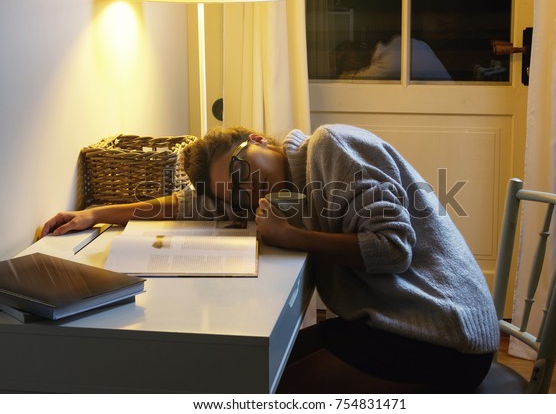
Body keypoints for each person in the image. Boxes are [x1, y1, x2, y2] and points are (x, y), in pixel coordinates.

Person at [41, 124, 499, 392]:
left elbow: (393, 249)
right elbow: (184, 205)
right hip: (388, 323)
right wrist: (94, 213)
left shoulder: (329, 147)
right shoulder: (281, 194)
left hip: (443, 336)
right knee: (259, 370)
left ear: (259, 138)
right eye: (235, 194)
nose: (247, 192)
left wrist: (292, 235)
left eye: (241, 172)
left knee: (267, 391)